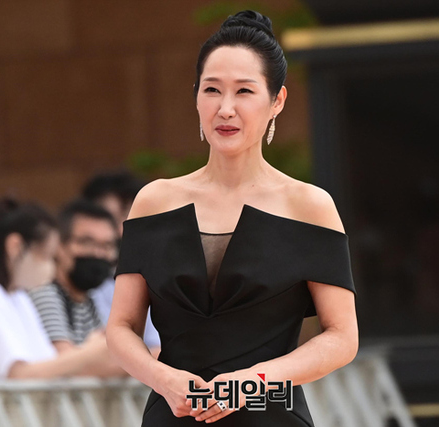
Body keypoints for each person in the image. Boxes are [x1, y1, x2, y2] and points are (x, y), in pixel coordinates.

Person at [106, 10, 358, 427]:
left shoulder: (309, 205)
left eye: (244, 91)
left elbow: (342, 337)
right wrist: (163, 379)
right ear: (196, 97)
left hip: (270, 412)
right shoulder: (154, 201)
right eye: (212, 90)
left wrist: (254, 382)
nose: (225, 109)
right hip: (173, 412)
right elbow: (121, 327)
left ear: (276, 100)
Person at [0, 197, 119, 382]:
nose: (51, 268)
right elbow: (19, 374)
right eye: (46, 257)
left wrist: (91, 350)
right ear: (15, 247)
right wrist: (89, 353)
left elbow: (46, 363)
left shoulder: (19, 297)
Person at [82, 171, 161, 354]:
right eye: (110, 219)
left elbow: (158, 345)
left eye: (129, 216)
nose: (121, 228)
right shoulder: (83, 279)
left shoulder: (151, 275)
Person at [28, 198, 117, 351]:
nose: (98, 254)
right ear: (59, 246)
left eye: (107, 246)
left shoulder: (89, 301)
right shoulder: (44, 292)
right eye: (87, 243)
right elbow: (63, 357)